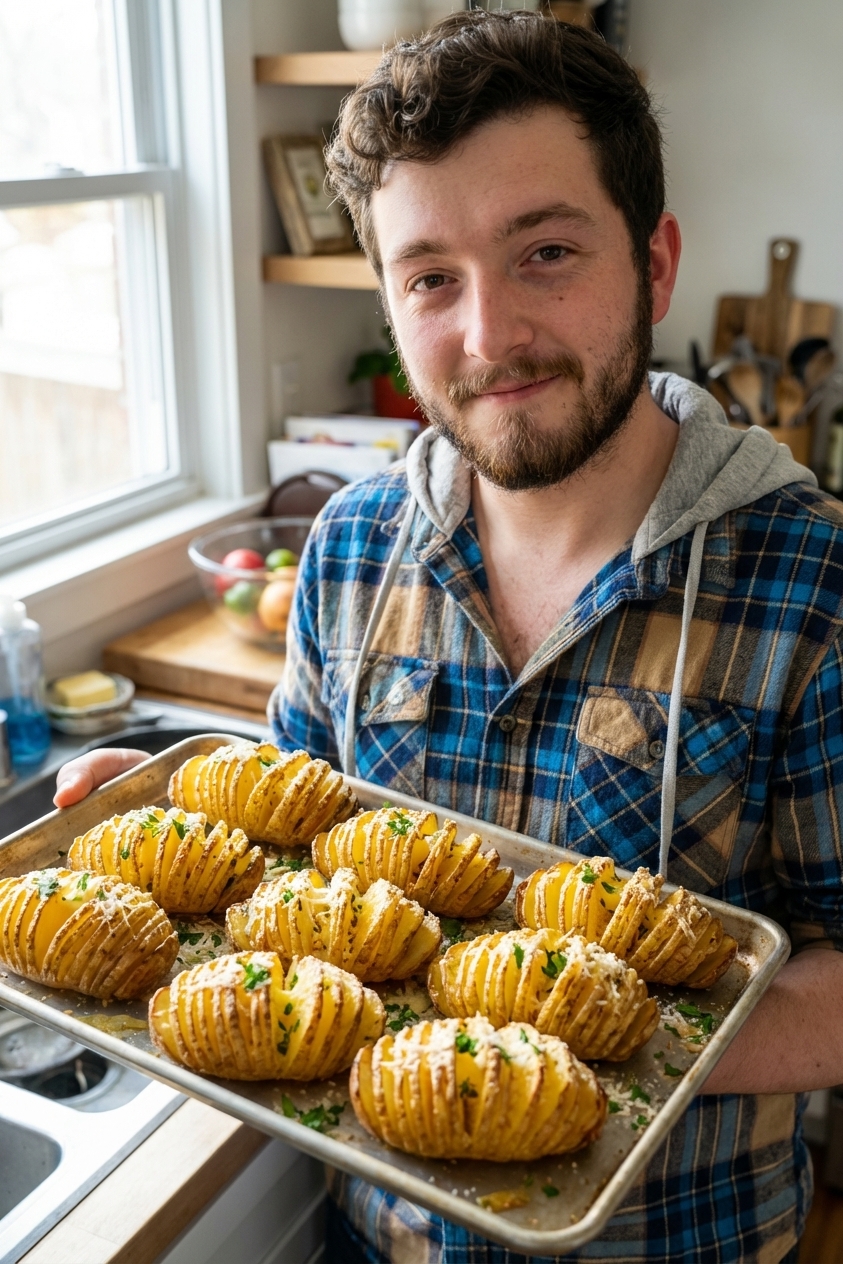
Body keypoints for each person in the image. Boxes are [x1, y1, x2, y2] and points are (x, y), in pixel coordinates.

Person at [55, 12, 843, 1263]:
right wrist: (148, 850)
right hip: (379, 1237)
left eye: (546, 252)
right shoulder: (350, 550)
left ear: (654, 265)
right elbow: (296, 845)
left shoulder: (812, 585)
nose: (488, 336)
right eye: (430, 278)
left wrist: (582, 1032)